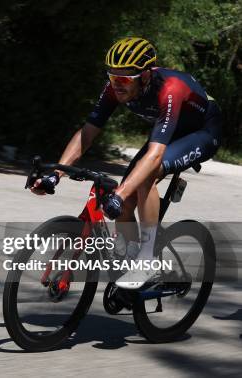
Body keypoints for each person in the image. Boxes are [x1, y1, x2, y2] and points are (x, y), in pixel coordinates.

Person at [32, 37, 222, 289]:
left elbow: (153, 157)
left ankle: (148, 259)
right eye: (112, 77)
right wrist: (55, 174)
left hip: (203, 131)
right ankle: (129, 259)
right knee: (122, 202)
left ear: (144, 76)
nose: (116, 85)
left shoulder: (170, 89)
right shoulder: (114, 88)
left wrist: (120, 194)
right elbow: (87, 133)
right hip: (170, 132)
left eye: (123, 79)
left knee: (143, 180)